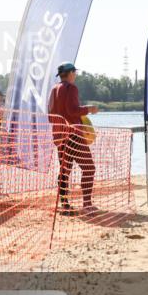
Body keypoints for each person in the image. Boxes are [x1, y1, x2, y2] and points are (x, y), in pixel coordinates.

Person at [48, 62, 98, 215]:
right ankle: (87, 204)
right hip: (73, 135)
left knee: (65, 170)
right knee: (89, 168)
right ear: (70, 73)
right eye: (74, 72)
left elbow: (50, 117)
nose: (75, 75)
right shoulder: (71, 88)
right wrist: (89, 109)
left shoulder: (54, 89)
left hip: (59, 136)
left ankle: (64, 204)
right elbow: (72, 110)